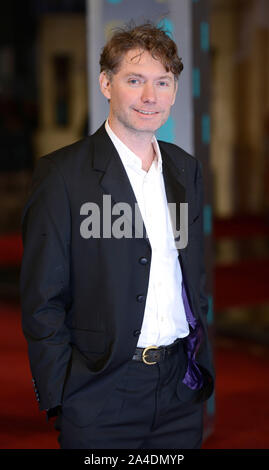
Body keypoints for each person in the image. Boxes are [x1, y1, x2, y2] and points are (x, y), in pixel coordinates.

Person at [20, 22, 214, 449]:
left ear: (175, 90)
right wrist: (63, 395)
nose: (151, 96)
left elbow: (191, 277)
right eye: (135, 80)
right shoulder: (62, 175)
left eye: (163, 82)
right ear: (106, 84)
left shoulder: (186, 170)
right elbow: (41, 300)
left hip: (179, 390)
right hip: (100, 393)